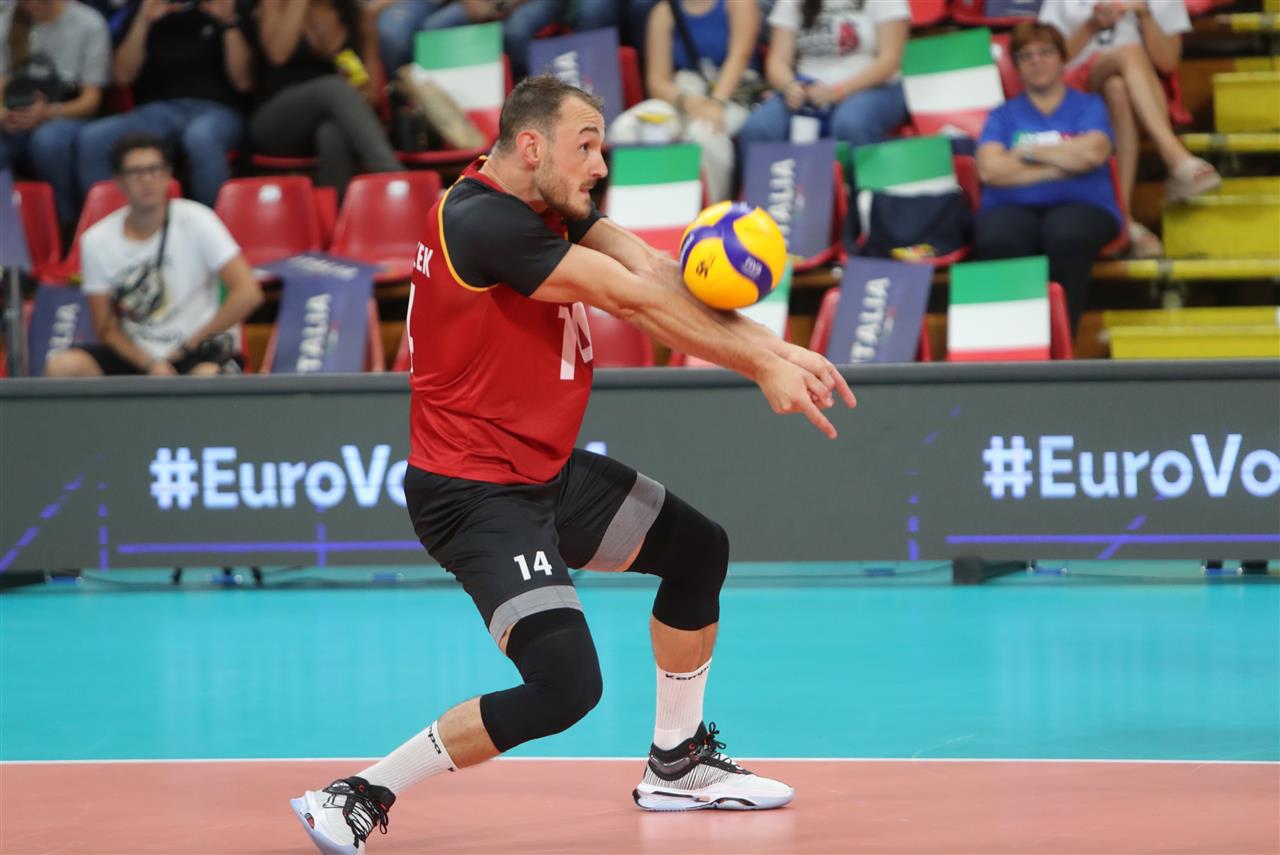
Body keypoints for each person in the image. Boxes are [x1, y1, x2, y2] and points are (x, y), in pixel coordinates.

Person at [290, 75, 856, 854]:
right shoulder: (483, 221)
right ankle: (359, 791)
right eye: (585, 145)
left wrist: (778, 348)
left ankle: (677, 762)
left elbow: (652, 270)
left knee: (698, 550)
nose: (600, 164)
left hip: (541, 474)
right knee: (565, 685)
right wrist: (760, 367)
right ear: (531, 147)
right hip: (474, 493)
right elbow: (631, 302)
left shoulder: (543, 204)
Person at [44, 133, 262, 377]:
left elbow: (248, 293)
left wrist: (187, 346)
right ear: (119, 181)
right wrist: (150, 364)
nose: (147, 179)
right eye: (135, 172)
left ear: (168, 175)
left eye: (154, 169)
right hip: (136, 356)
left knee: (207, 376)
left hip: (193, 348)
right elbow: (106, 328)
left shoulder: (199, 220)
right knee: (63, 366)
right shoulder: (95, 240)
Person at [973, 21, 1121, 335]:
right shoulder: (1002, 114)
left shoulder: (1089, 105)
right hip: (1010, 208)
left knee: (1067, 235)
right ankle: (1016, 341)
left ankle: (1060, 341)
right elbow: (990, 169)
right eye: (1026, 56)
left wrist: (1027, 151)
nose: (1036, 61)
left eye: (1045, 52)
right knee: (997, 237)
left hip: (1084, 206)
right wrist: (1061, 163)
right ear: (1016, 66)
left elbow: (1092, 153)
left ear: (1062, 58)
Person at [1039, 0, 1219, 257]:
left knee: (1118, 90)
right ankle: (1176, 157)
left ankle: (1121, 219)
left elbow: (1167, 62)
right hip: (1076, 89)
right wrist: (1092, 25)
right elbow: (1047, 62)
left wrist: (1144, 14)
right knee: (1130, 52)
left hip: (1141, 97)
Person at [75, 0, 252, 208]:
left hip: (217, 109)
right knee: (94, 138)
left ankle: (212, 223)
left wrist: (229, 23)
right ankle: (111, 220)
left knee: (201, 137)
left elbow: (244, 81)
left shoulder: (226, 7)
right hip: (157, 111)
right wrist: (143, 22)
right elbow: (122, 76)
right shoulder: (144, 11)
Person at [608, 0, 759, 202]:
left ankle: (714, 212)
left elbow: (739, 57)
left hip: (731, 95)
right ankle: (636, 211)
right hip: (681, 95)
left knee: (705, 132)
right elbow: (657, 80)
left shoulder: (738, 4)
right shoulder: (664, 11)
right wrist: (686, 101)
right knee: (628, 127)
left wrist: (716, 101)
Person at [247, 0, 400, 196]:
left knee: (332, 133)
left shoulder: (356, 16)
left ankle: (334, 210)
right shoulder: (276, 4)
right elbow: (278, 55)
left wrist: (356, 86)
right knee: (332, 87)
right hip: (276, 122)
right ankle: (394, 177)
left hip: (330, 116)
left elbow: (372, 97)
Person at [737, 0, 909, 150]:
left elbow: (890, 61)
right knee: (757, 128)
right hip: (808, 90)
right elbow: (777, 61)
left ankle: (861, 179)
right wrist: (789, 86)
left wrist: (838, 91)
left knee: (851, 124)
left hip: (873, 87)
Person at [0, 0, 110, 230]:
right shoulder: (7, 22)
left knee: (48, 141)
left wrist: (48, 113)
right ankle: (8, 230)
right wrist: (3, 115)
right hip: (15, 115)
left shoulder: (88, 23)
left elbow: (91, 101)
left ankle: (65, 222)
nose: (33, 4)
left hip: (66, 114)